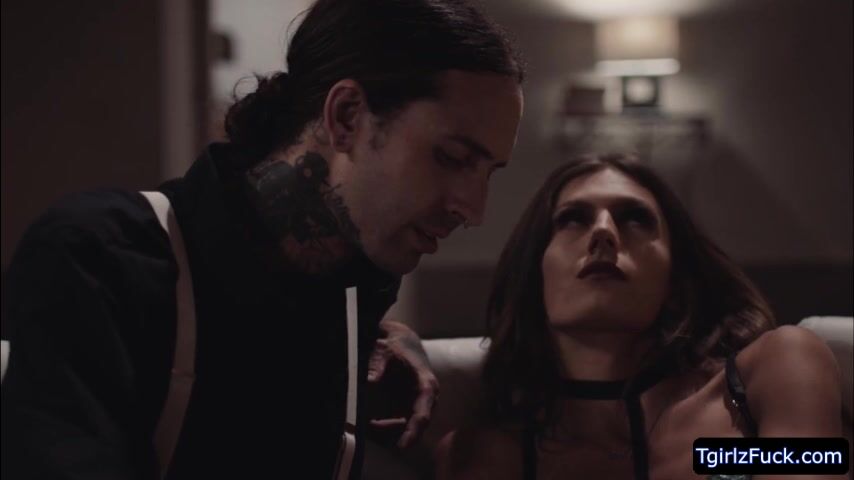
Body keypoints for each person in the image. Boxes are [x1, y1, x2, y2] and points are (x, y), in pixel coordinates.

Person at [0, 0, 524, 478]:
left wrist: (378, 333)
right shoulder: (100, 255)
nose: (473, 209)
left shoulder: (352, 295)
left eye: (490, 172)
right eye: (453, 158)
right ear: (347, 117)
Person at [435, 154, 845, 479]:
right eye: (573, 219)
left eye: (635, 218)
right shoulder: (486, 454)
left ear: (676, 274)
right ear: (535, 269)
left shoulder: (772, 372)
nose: (604, 232)